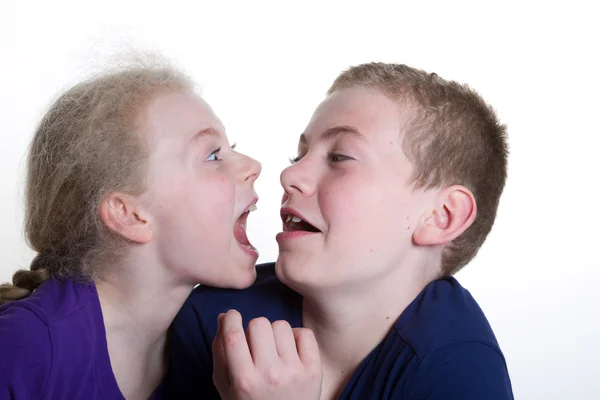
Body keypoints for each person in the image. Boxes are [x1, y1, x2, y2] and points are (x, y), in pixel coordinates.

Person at [166, 62, 514, 399]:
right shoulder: (216, 320)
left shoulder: (458, 371)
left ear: (442, 216)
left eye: (339, 158)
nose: (291, 176)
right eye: (297, 156)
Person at [0, 56, 280, 399]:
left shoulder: (216, 353)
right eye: (212, 155)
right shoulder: (24, 348)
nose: (253, 165)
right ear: (129, 214)